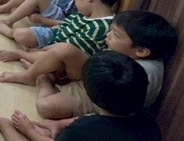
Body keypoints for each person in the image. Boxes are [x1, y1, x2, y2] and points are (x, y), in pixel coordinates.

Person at [0, 51, 166, 141]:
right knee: (55, 132)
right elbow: (98, 120)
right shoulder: (147, 117)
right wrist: (58, 124)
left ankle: (4, 126)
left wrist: (29, 131)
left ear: (90, 94)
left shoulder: (85, 130)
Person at [27, 11, 177, 120]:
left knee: (45, 106)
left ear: (141, 51)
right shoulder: (127, 52)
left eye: (116, 35)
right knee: (65, 50)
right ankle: (32, 75)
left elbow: (116, 112)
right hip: (97, 80)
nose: (108, 35)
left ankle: (44, 79)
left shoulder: (143, 74)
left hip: (102, 100)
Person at [0, 0, 120, 85]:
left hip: (66, 65)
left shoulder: (101, 27)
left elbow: (66, 49)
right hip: (55, 45)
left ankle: (26, 67)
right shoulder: (85, 14)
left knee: (56, 52)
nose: (75, 3)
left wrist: (40, 50)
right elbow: (62, 26)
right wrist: (43, 42)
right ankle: (33, 58)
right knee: (22, 35)